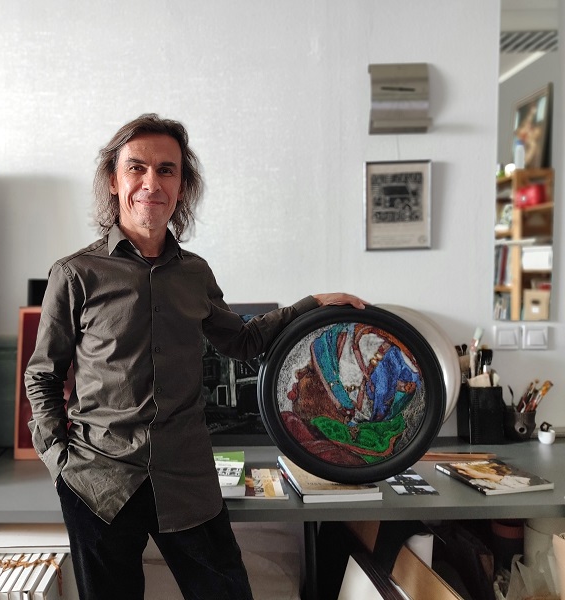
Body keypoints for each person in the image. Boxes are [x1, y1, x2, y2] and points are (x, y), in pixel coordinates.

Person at [25, 113, 366, 600]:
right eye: (136, 168)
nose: (151, 183)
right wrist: (58, 459)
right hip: (97, 481)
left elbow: (242, 342)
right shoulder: (75, 274)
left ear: (181, 186)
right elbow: (43, 375)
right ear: (113, 181)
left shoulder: (195, 274)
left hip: (187, 479)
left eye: (166, 170)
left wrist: (310, 305)